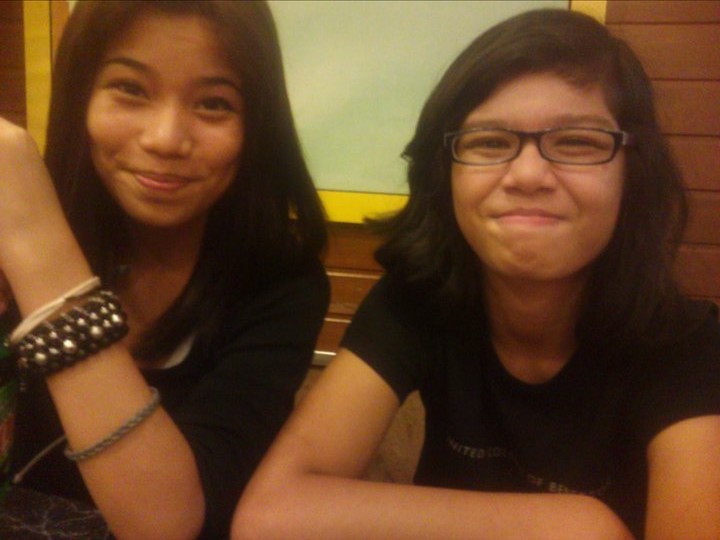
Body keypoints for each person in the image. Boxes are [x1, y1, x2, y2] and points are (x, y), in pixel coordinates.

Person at [232, 8, 720, 540]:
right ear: (445, 175)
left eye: (577, 142)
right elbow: (268, 515)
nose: (528, 175)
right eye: (489, 142)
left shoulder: (686, 346)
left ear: (634, 172)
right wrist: (579, 525)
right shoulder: (417, 301)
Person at [0, 1, 329, 538]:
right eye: (130, 89)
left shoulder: (280, 283)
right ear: (81, 96)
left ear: (256, 125)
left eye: (214, 104)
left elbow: (166, 523)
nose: (166, 139)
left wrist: (36, 246)